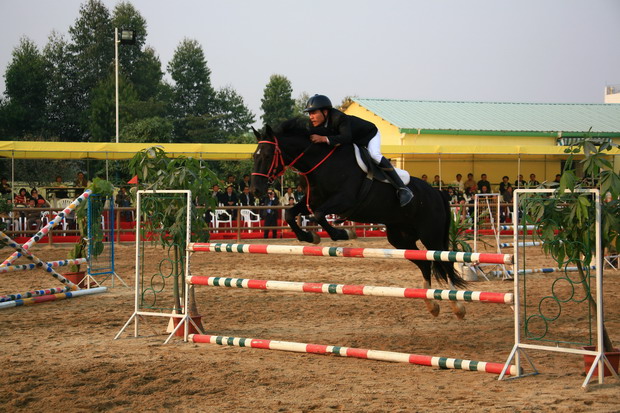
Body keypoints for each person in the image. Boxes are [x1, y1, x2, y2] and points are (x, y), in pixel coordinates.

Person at [304, 94, 413, 206]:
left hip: (369, 135)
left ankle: (403, 189)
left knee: (374, 155)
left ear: (325, 112)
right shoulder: (315, 124)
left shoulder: (339, 118)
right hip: (354, 140)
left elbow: (346, 137)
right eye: (309, 113)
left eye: (313, 113)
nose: (311, 117)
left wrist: (323, 138)